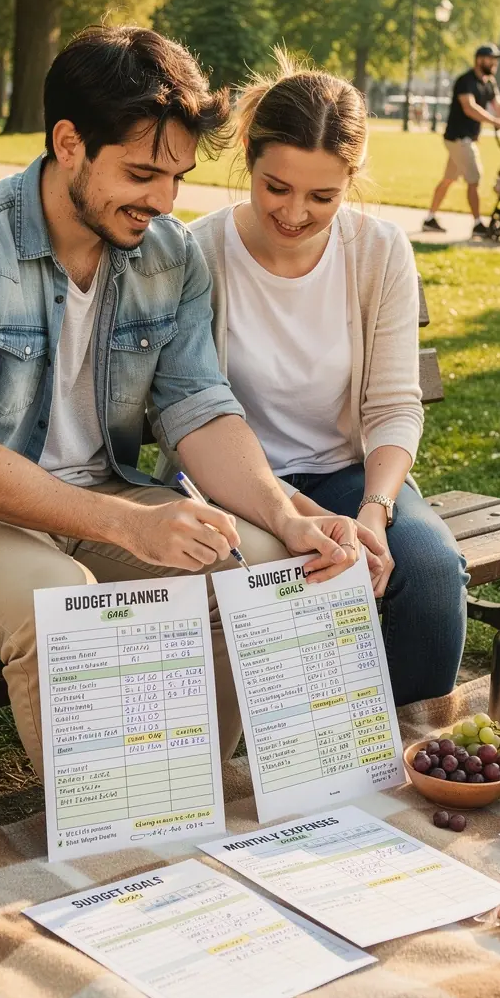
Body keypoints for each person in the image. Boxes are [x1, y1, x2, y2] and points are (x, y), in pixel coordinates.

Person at [0, 26, 377, 780]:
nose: (163, 201)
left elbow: (200, 407)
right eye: (141, 173)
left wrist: (286, 515)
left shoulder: (169, 254)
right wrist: (131, 525)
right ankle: (125, 840)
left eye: (177, 177)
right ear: (69, 143)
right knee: (68, 611)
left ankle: (207, 802)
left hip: (100, 500)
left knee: (263, 569)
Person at [157, 52, 468, 706]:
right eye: (276, 187)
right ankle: (305, 751)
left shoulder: (379, 250)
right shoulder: (198, 253)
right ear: (248, 156)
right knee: (283, 567)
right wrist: (291, 512)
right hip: (229, 485)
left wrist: (375, 511)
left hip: (345, 475)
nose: (295, 213)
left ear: (351, 180)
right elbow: (180, 410)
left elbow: (393, 404)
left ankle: (411, 755)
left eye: (323, 197)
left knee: (432, 569)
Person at [424, 43, 500, 237]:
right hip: (458, 138)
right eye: (491, 59)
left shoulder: (489, 82)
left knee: (448, 179)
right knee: (474, 178)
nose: (495, 63)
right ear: (479, 60)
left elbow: (499, 104)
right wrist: (494, 121)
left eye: (496, 60)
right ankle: (478, 224)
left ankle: (430, 219)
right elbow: (469, 107)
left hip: (465, 139)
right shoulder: (466, 81)